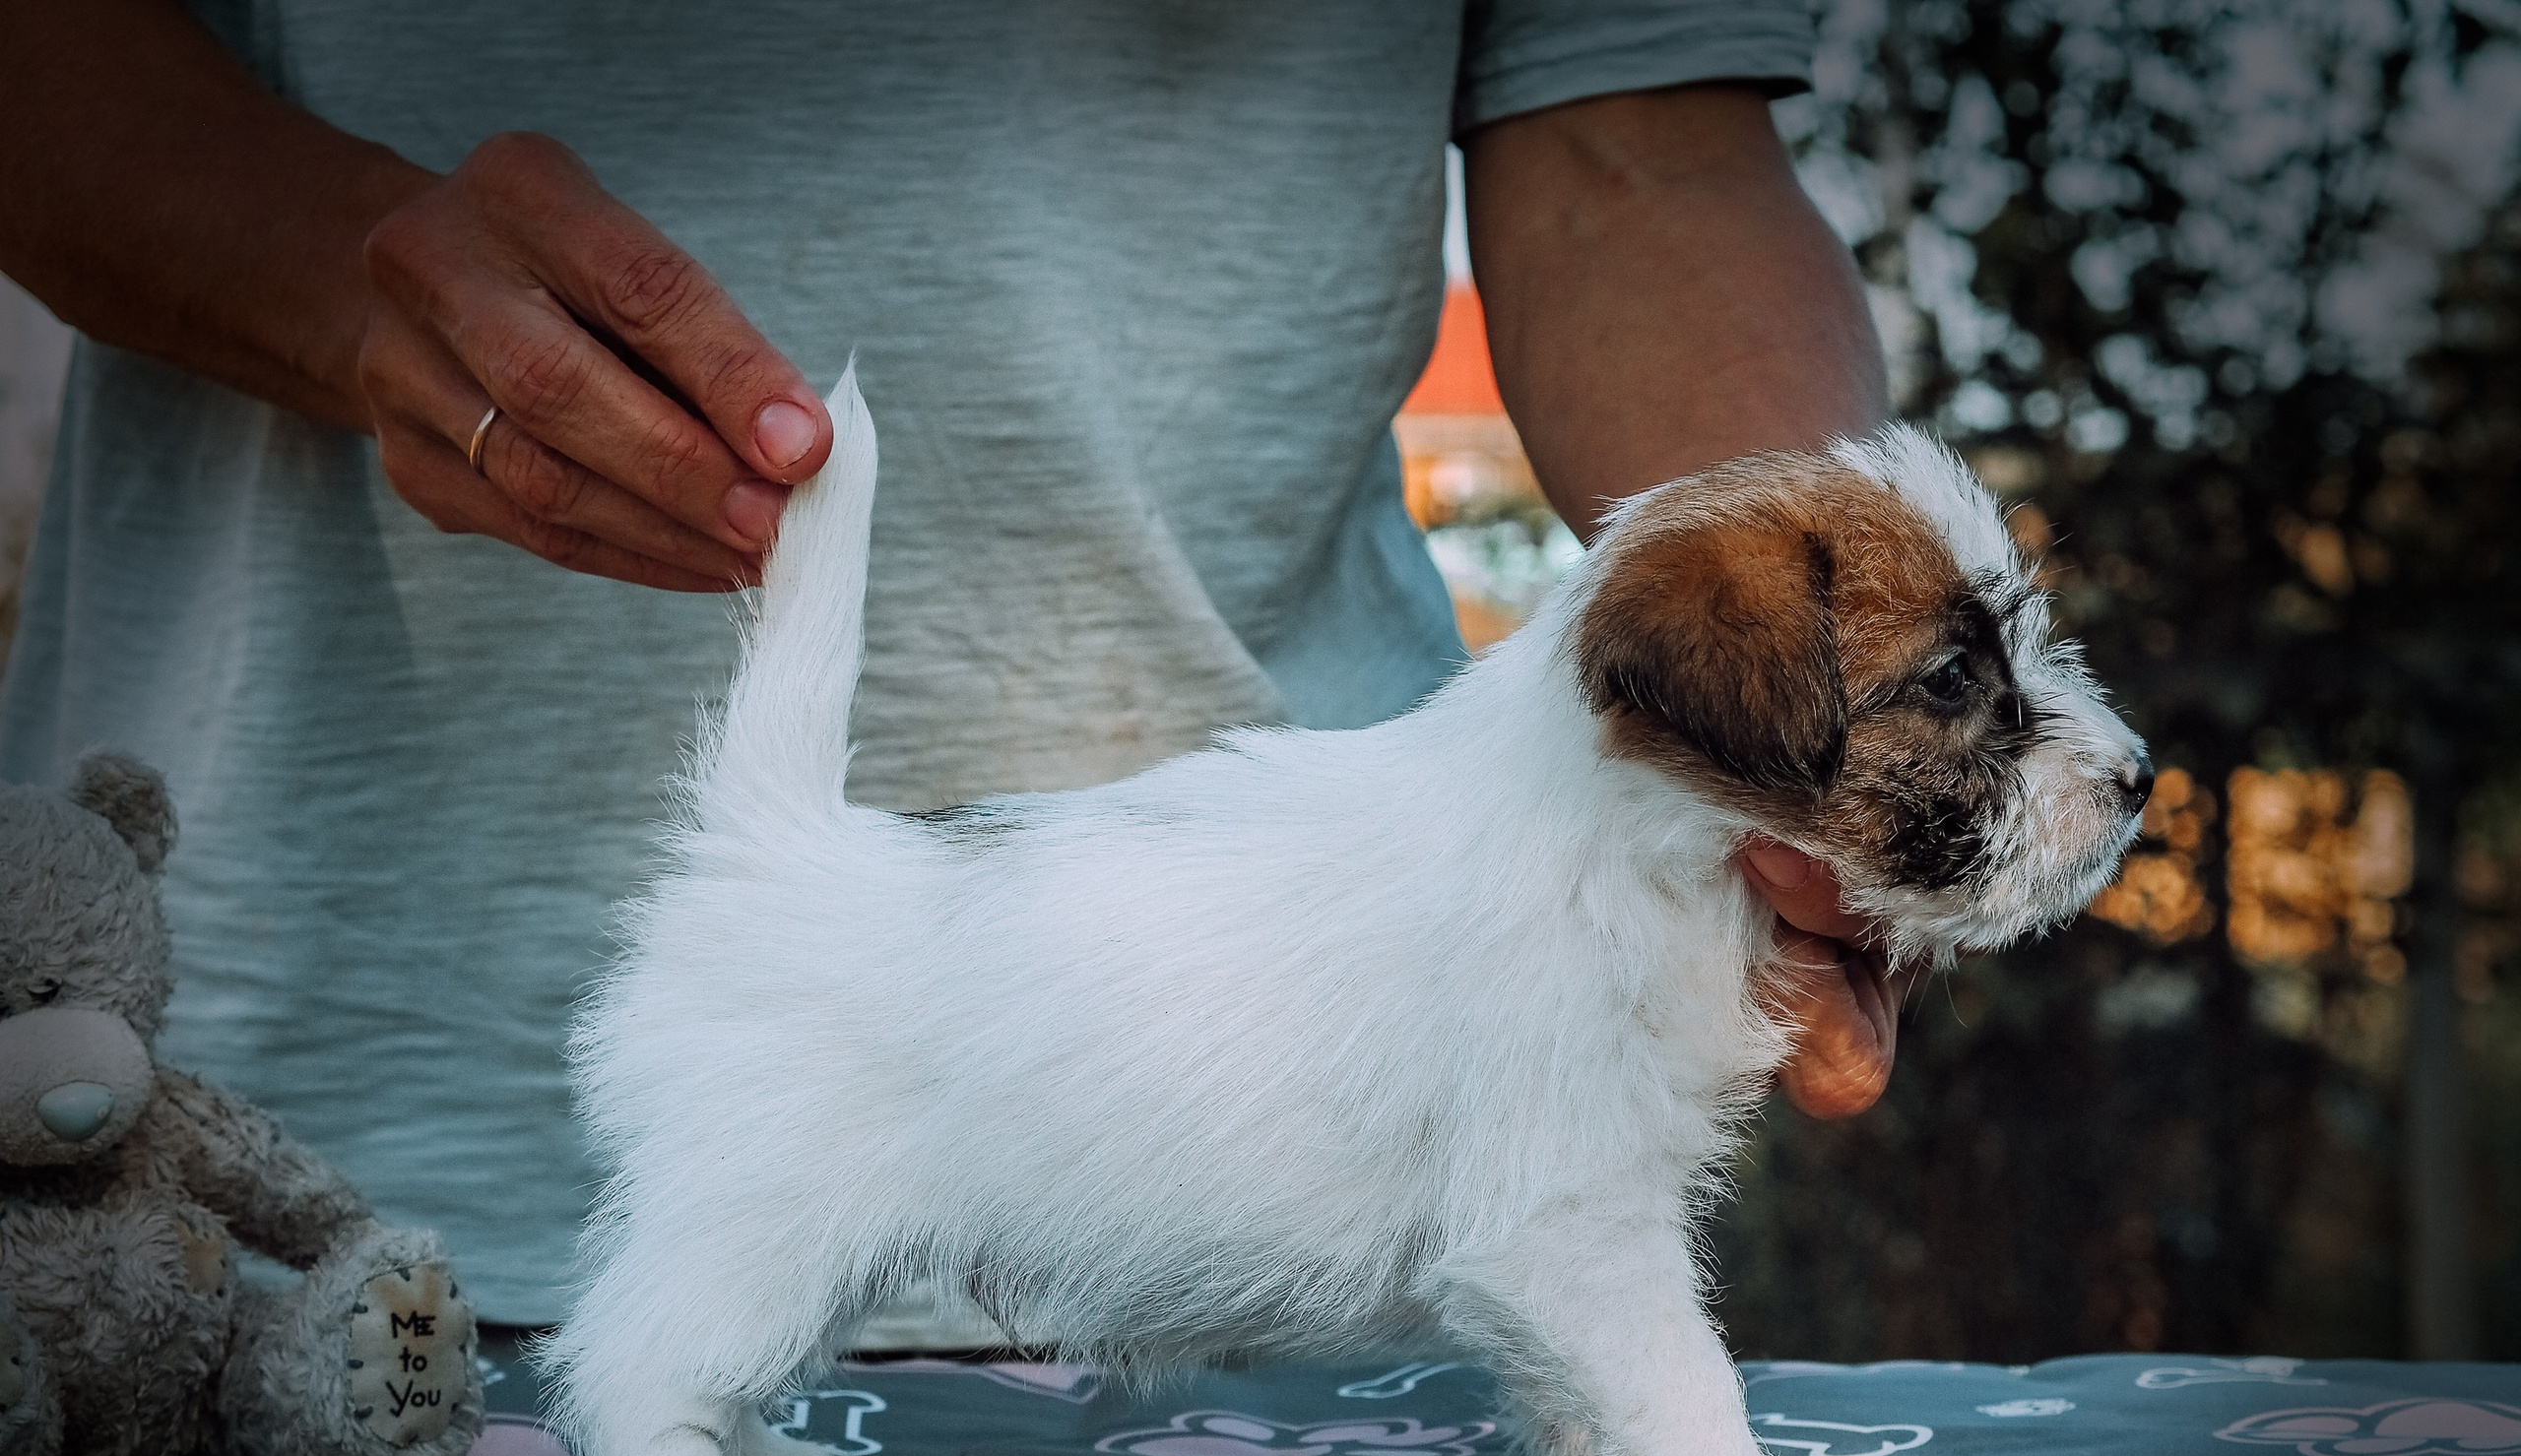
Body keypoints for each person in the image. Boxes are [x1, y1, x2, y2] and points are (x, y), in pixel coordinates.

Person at [0, 0, 1906, 1326]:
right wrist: (343, 273)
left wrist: (1832, 678)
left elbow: (1639, 159)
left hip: (1328, 1117)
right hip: (266, 1117)